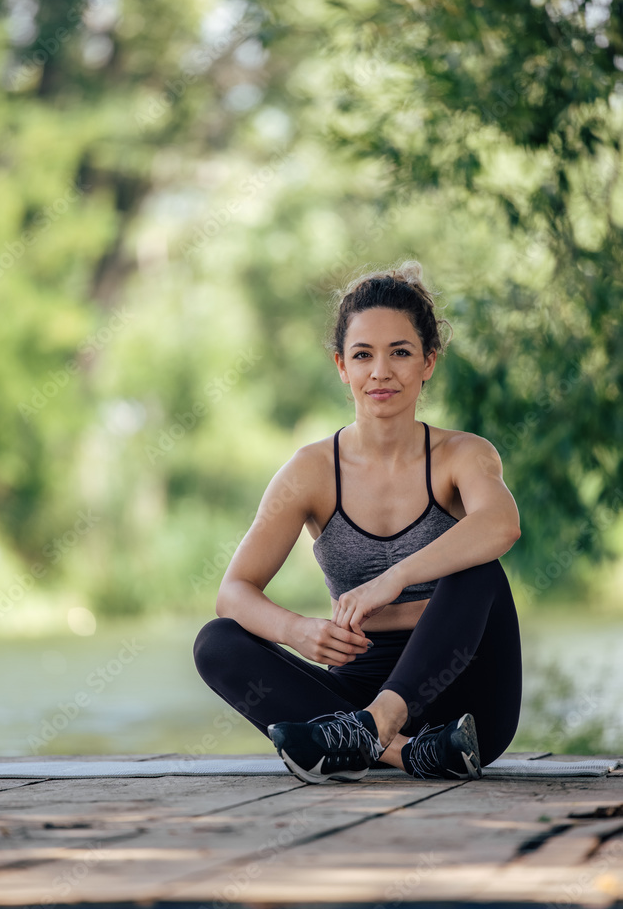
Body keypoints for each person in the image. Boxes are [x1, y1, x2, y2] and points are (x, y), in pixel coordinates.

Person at [193, 261, 523, 785]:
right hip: (358, 687)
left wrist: (392, 579)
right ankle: (403, 751)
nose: (380, 372)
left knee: (479, 568)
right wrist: (297, 631)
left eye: (400, 353)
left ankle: (372, 733)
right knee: (217, 642)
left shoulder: (463, 454)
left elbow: (502, 525)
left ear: (428, 362)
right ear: (342, 366)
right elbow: (234, 591)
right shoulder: (310, 472)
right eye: (363, 355)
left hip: (465, 700)